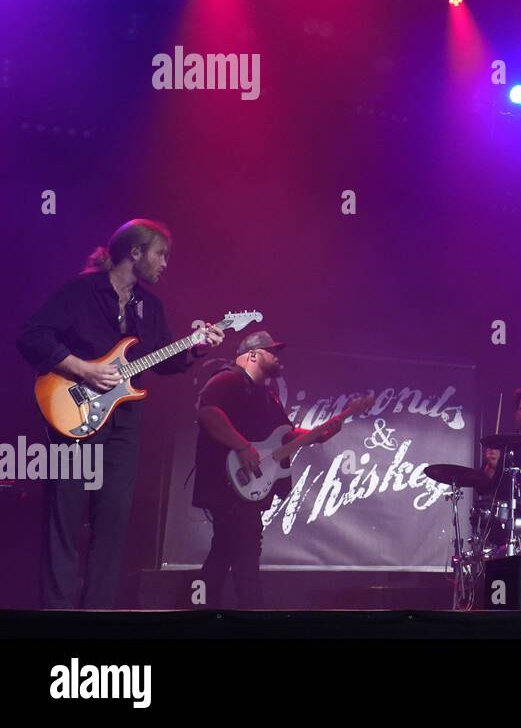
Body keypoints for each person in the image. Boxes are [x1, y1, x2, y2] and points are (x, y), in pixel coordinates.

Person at [17, 219, 225, 608]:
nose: (165, 263)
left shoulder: (150, 306)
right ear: (135, 252)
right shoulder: (80, 292)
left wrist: (198, 347)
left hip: (123, 424)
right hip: (71, 414)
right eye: (160, 254)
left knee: (113, 521)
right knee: (64, 518)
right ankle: (55, 619)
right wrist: (82, 368)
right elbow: (31, 335)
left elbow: (163, 359)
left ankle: (98, 615)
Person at [191, 331, 340, 609]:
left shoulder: (268, 395)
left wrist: (318, 434)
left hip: (244, 488)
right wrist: (242, 446)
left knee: (223, 551)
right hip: (226, 484)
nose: (277, 358)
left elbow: (286, 435)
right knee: (246, 553)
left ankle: (196, 609)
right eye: (272, 352)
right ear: (253, 355)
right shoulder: (228, 379)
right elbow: (208, 413)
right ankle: (253, 620)